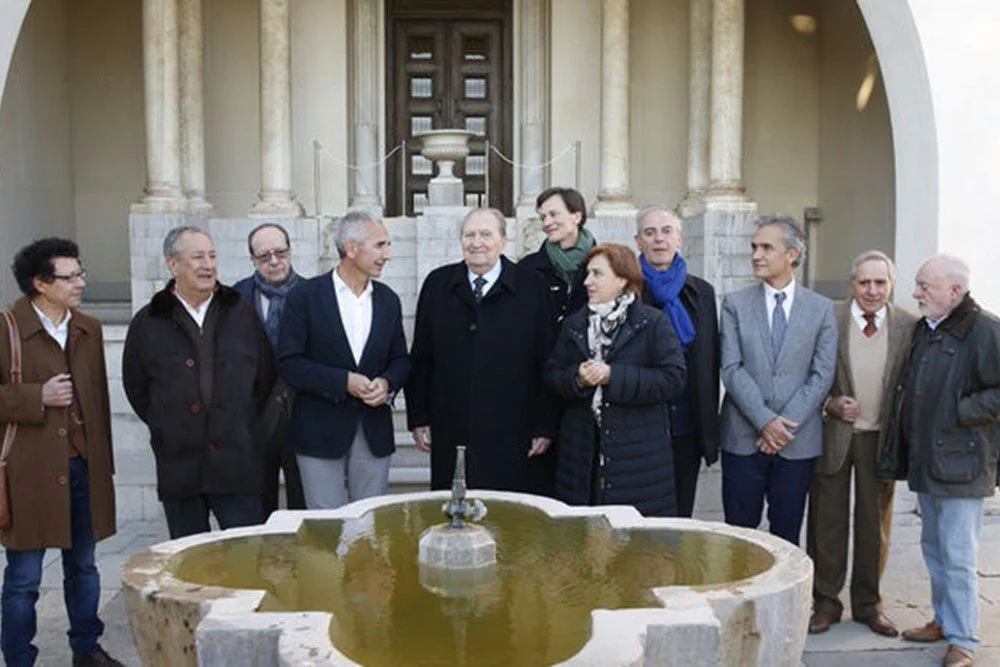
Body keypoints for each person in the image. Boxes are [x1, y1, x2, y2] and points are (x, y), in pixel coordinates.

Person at [0, 238, 123, 667]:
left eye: (80, 273)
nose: (80, 282)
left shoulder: (88, 327)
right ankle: (18, 660)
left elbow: (99, 403)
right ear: (40, 283)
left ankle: (86, 650)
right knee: (24, 580)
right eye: (70, 277)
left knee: (85, 570)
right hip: (27, 475)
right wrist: (36, 396)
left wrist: (103, 466)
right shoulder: (6, 328)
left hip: (83, 469)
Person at [878, 254, 1000, 667]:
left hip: (963, 464)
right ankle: (944, 621)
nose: (915, 293)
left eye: (924, 286)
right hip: (928, 461)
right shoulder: (928, 328)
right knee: (934, 548)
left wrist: (958, 410)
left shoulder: (984, 330)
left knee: (959, 554)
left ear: (955, 290)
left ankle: (964, 640)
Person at [123, 226, 275, 539]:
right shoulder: (149, 321)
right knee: (189, 564)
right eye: (197, 257)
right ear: (173, 264)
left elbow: (264, 377)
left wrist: (241, 423)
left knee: (247, 555)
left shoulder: (241, 312)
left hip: (237, 461)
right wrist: (167, 424)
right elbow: (137, 387)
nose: (208, 265)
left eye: (212, 255)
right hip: (180, 463)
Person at [806, 250, 917, 637]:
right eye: (864, 282)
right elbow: (806, 372)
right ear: (852, 284)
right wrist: (829, 403)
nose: (872, 291)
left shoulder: (908, 324)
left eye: (880, 283)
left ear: (891, 285)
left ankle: (869, 604)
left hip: (880, 440)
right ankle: (825, 603)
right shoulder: (828, 317)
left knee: (875, 525)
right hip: (835, 436)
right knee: (827, 521)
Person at [407, 207, 556, 493]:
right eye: (469, 235)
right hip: (452, 425)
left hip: (514, 428)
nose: (477, 243)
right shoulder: (438, 284)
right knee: (454, 513)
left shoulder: (532, 286)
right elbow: (422, 357)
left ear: (503, 240)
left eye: (486, 234)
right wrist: (418, 416)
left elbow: (546, 360)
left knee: (509, 515)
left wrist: (545, 425)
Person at [277, 211, 410, 509]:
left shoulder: (388, 299)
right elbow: (289, 363)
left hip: (373, 431)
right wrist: (343, 382)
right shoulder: (304, 297)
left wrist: (387, 383)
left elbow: (401, 359)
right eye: (380, 245)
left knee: (369, 526)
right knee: (326, 530)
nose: (387, 254)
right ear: (351, 249)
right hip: (319, 432)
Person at [545, 243, 687, 516]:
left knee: (634, 549)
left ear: (622, 279)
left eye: (597, 274)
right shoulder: (575, 324)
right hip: (581, 461)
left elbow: (673, 378)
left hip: (638, 461)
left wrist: (613, 376)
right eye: (587, 274)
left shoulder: (653, 322)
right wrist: (578, 379)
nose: (587, 282)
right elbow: (553, 377)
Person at [719, 215, 837, 544]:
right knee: (739, 538)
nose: (757, 254)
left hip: (796, 442)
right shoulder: (735, 304)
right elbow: (731, 367)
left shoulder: (822, 309)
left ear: (792, 254)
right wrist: (764, 421)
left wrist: (783, 426)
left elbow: (822, 373)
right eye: (754, 247)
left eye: (767, 247)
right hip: (743, 438)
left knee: (786, 537)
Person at [634, 205, 719, 517]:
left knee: (681, 518)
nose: (659, 239)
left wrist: (709, 430)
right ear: (638, 241)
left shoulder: (702, 293)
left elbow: (710, 362)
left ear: (680, 238)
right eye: (650, 232)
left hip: (686, 425)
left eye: (666, 231)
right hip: (642, 426)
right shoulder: (627, 291)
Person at [233, 223, 306, 516]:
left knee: (304, 510)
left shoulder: (314, 294)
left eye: (280, 252)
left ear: (290, 251)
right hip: (254, 419)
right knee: (259, 508)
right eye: (264, 256)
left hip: (302, 415)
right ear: (252, 259)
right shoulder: (234, 299)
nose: (274, 261)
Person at [519, 186, 597, 331]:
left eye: (554, 214)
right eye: (543, 217)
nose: (546, 223)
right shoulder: (527, 268)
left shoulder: (605, 265)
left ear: (577, 217)